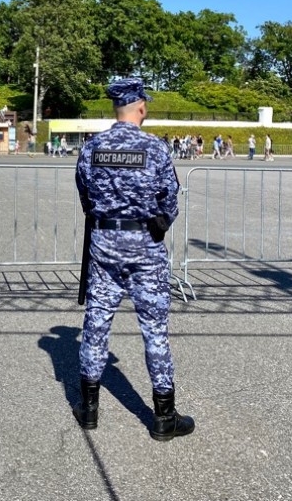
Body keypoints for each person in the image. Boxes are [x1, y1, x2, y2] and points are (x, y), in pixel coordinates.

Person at [73, 77, 194, 441]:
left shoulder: (92, 147)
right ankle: (163, 417)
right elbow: (170, 199)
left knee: (95, 326)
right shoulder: (154, 148)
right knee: (155, 330)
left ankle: (89, 410)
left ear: (117, 107)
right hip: (145, 247)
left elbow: (84, 194)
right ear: (141, 107)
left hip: (105, 244)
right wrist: (158, 224)